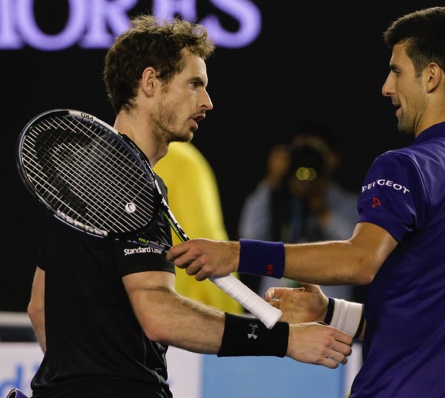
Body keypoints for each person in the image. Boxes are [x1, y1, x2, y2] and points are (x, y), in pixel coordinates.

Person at [167, 7, 445, 397]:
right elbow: (431, 319)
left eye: (397, 71)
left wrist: (235, 254)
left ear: (431, 77)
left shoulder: (406, 166)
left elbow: (359, 261)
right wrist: (330, 312)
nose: (386, 86)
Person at [26, 15, 353, 398]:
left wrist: (81, 380)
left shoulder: (82, 176)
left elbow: (39, 308)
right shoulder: (131, 180)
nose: (207, 102)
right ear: (150, 83)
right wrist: (285, 340)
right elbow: (160, 316)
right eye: (194, 84)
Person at [238, 122, 361, 301]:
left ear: (332, 158)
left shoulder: (350, 204)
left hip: (326, 315)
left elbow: (356, 250)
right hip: (274, 309)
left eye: (315, 152)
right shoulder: (276, 199)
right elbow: (249, 236)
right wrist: (271, 181)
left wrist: (319, 205)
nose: (307, 158)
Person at [154, 141, 244, 313]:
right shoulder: (182, 159)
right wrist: (229, 315)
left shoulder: (104, 156)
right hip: (185, 314)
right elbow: (205, 239)